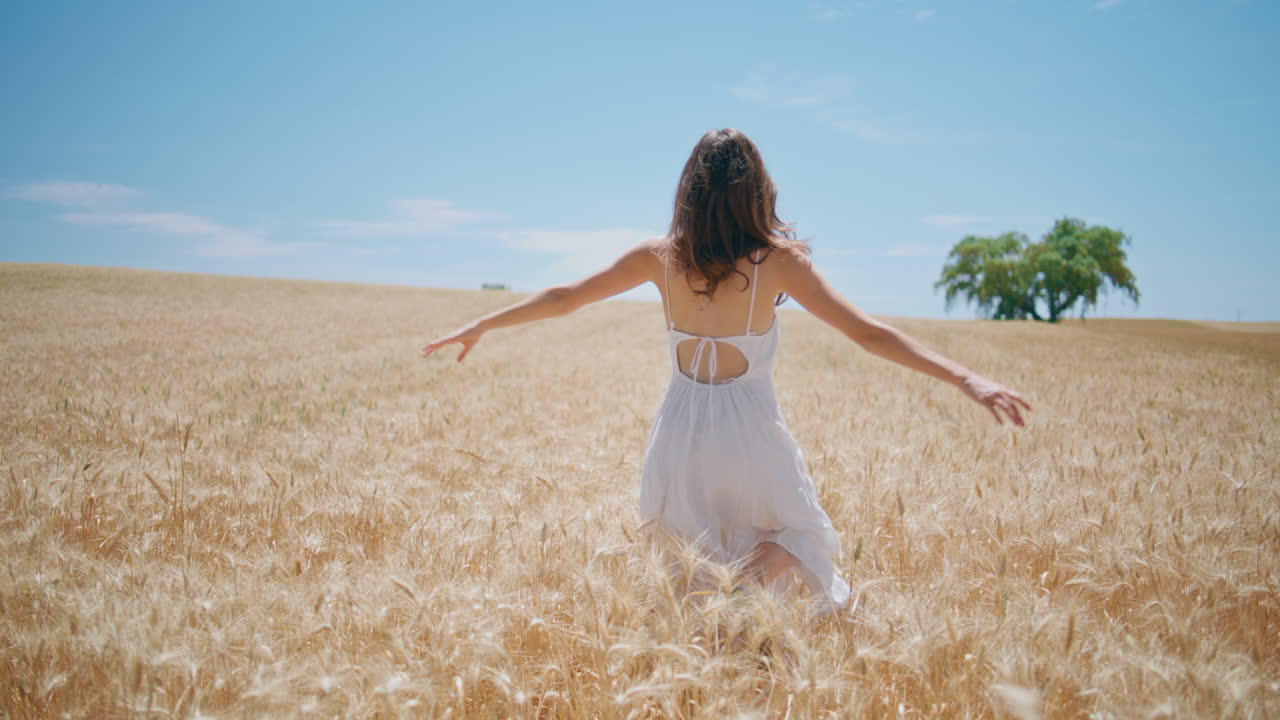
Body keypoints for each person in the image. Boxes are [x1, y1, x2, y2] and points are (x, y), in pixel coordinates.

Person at [422, 128, 1030, 614]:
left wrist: (481, 324)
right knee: (793, 541)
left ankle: (726, 625)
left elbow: (564, 297)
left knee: (690, 579)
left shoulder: (658, 259)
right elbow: (868, 334)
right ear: (758, 191)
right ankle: (754, 587)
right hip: (751, 437)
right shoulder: (778, 265)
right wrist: (963, 378)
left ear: (688, 189)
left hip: (680, 440)